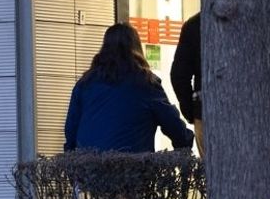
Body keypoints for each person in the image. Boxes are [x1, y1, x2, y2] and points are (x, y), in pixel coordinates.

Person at [65, 23, 194, 153]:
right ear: (136, 47)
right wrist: (185, 143)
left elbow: (71, 129)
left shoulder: (85, 83)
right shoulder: (146, 83)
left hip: (88, 162)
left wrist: (73, 155)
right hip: (132, 164)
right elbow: (172, 123)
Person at [169, 11, 203, 156]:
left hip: (205, 112)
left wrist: (192, 112)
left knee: (210, 166)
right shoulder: (260, 16)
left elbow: (179, 75)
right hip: (255, 114)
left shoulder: (195, 24)